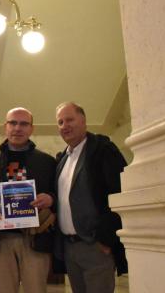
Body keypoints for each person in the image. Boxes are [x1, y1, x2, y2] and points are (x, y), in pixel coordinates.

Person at [0, 107, 56, 293]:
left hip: (35, 238)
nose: (17, 128)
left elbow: (59, 195)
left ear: (31, 129)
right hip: (2, 239)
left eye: (23, 124)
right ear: (5, 126)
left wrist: (50, 198)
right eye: (13, 123)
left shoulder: (47, 162)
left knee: (35, 289)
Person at [54, 102, 128, 293]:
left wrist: (106, 239)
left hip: (96, 246)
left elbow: (120, 192)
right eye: (60, 122)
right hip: (70, 248)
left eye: (70, 119)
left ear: (83, 120)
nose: (65, 126)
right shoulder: (62, 159)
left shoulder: (103, 150)